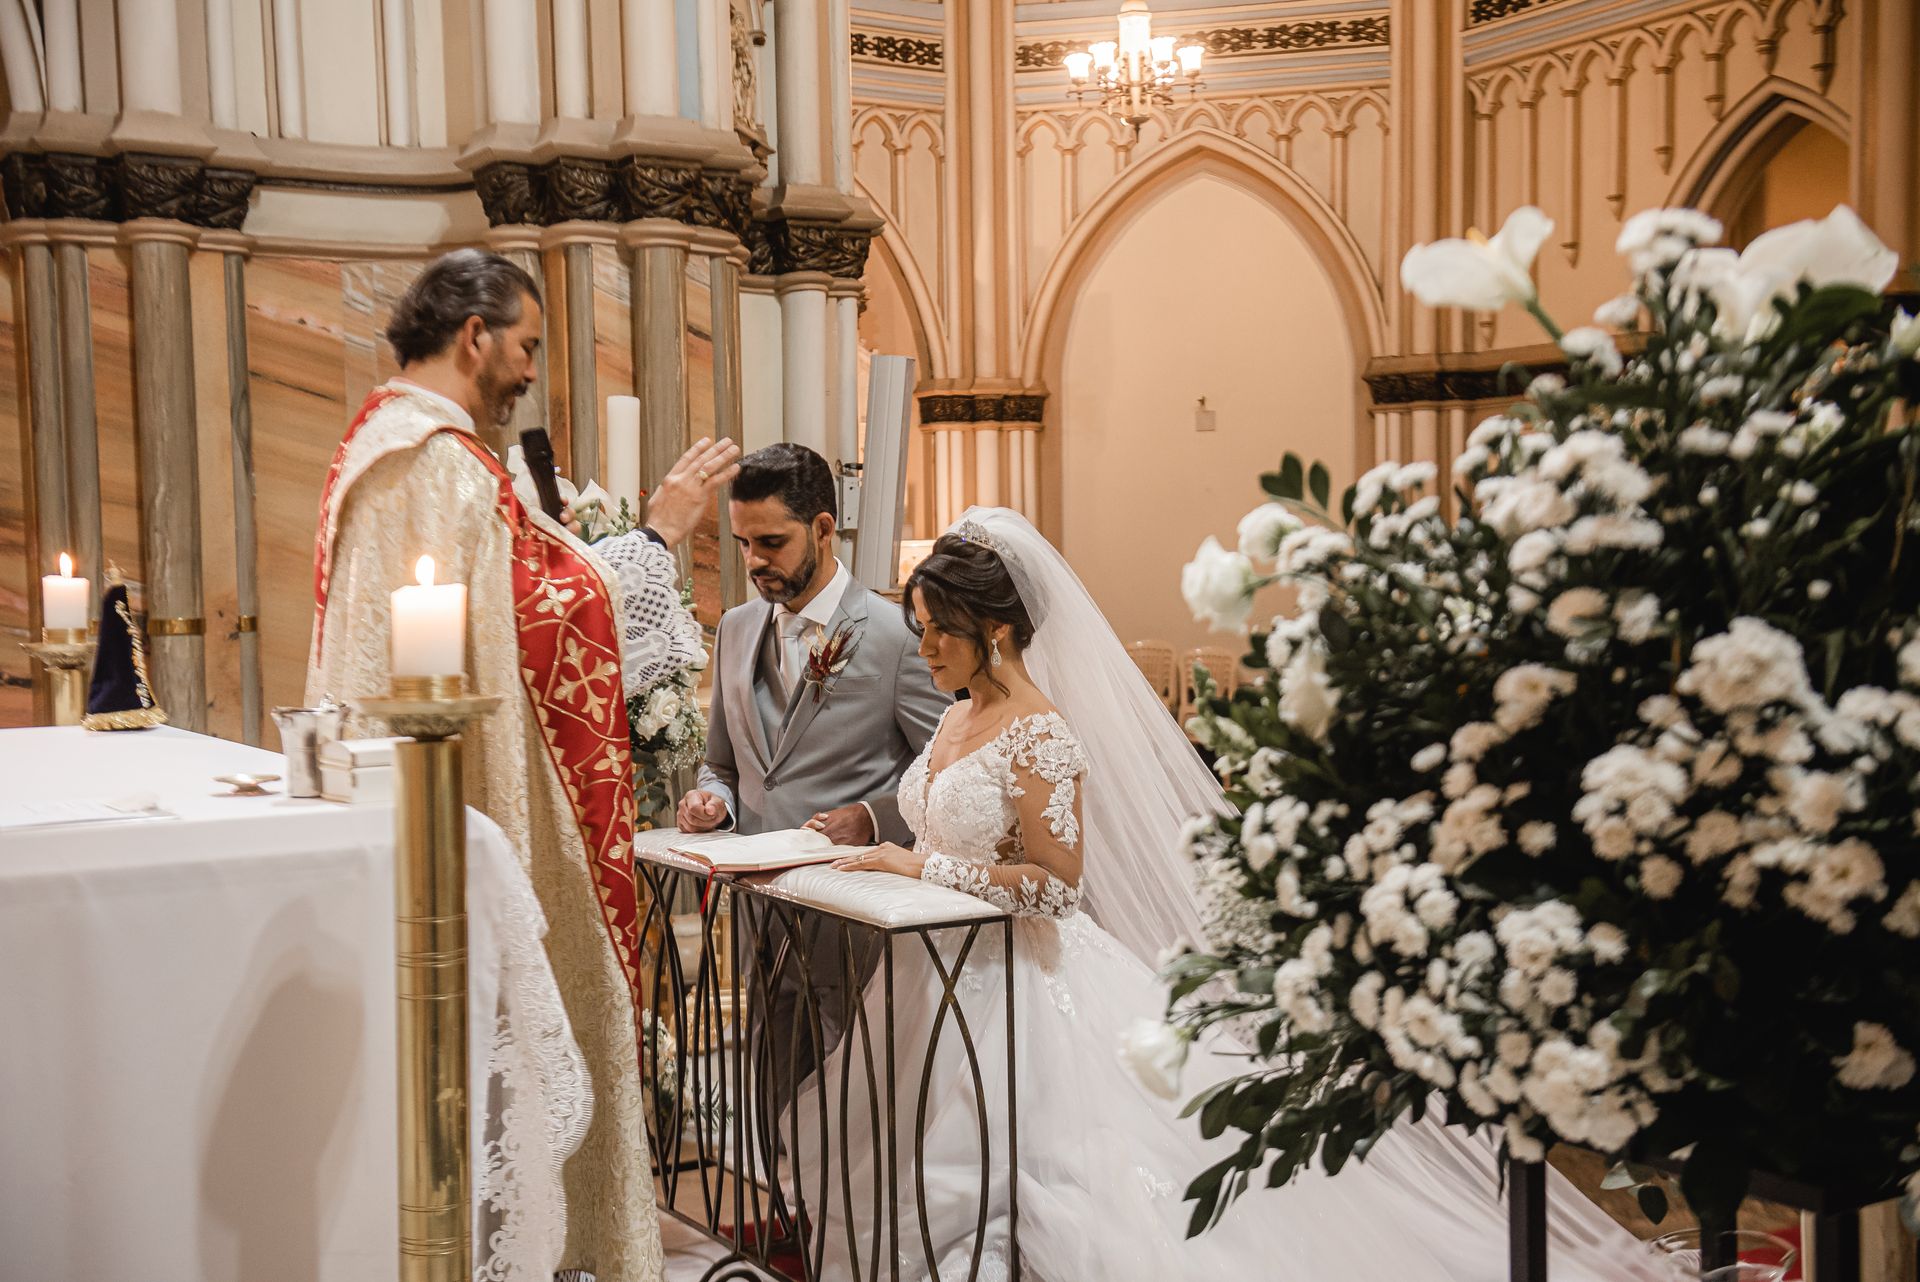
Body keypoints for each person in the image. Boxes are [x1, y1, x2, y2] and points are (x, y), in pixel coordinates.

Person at [817, 507, 1665, 1282]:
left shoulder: (1042, 729)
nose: (924, 649)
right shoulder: (957, 714)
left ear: (994, 626)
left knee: (1049, 1176)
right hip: (937, 970)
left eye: (938, 632)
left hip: (1025, 986)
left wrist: (916, 866)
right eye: (919, 630)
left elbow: (1054, 887)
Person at [307, 248, 737, 1282]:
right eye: (527, 346)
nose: (529, 371)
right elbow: (553, 617)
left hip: (394, 798)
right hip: (462, 814)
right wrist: (658, 533)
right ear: (474, 336)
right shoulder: (446, 465)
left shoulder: (367, 447)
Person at [674, 443, 949, 1109]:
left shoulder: (897, 636)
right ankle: (783, 1209)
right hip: (760, 914)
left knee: (860, 1097)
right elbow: (725, 764)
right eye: (742, 544)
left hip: (858, 917)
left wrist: (877, 817)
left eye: (771, 541)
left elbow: (950, 767)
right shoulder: (736, 629)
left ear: (824, 529)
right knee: (774, 1087)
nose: (755, 562)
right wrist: (711, 803)